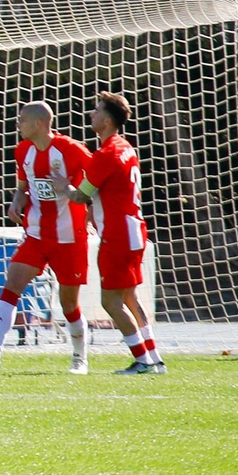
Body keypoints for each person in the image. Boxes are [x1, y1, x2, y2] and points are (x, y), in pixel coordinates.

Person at [0, 102, 91, 375]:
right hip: (35, 233)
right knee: (12, 283)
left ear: (38, 123)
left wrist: (81, 203)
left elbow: (96, 182)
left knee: (69, 303)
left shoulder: (71, 149)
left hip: (70, 237)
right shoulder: (23, 150)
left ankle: (80, 357)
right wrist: (16, 202)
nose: (18, 125)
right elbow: (23, 187)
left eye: (21, 120)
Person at [69, 92, 165, 374]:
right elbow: (108, 191)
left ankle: (142, 360)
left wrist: (62, 187)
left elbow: (80, 195)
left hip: (118, 235)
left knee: (110, 301)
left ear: (108, 120)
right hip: (134, 230)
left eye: (96, 111)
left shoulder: (106, 153)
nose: (92, 114)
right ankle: (154, 357)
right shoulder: (126, 147)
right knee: (129, 297)